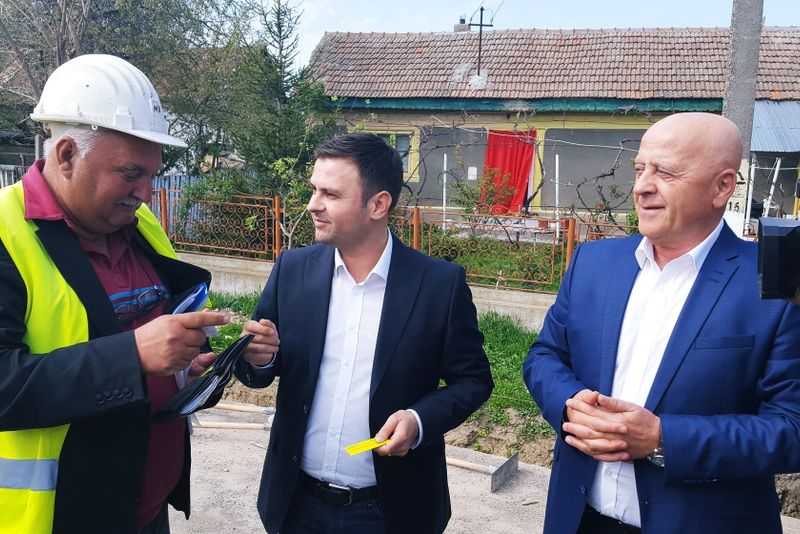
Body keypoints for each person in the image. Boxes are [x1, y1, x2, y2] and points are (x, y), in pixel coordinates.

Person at [523, 112, 800, 533]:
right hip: (578, 518)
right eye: (640, 170)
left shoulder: (775, 287)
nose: (641, 187)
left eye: (665, 172)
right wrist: (570, 403)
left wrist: (663, 439)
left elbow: (791, 427)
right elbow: (545, 355)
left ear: (722, 186)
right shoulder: (594, 262)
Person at [0, 54, 229, 534]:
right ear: (67, 155)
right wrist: (132, 356)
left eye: (153, 174)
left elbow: (161, 326)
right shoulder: (6, 232)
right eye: (130, 172)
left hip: (145, 510)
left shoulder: (139, 224)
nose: (146, 192)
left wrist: (187, 366)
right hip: (57, 521)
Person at [235, 132, 494, 534]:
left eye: (331, 194)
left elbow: (474, 380)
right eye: (314, 190)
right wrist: (260, 357)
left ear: (378, 204)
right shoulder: (293, 271)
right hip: (296, 502)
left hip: (389, 510)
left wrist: (419, 420)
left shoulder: (438, 286)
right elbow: (260, 367)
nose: (313, 204)